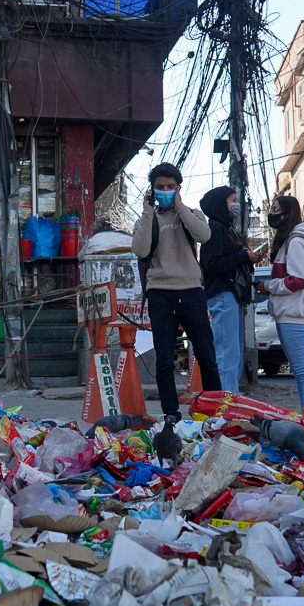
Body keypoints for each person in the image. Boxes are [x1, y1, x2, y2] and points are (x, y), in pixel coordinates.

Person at [132, 163, 221, 421]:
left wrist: (180, 206)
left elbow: (204, 235)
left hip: (192, 292)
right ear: (152, 190)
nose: (166, 191)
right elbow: (140, 250)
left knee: (207, 355)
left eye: (171, 187)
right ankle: (171, 414)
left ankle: (215, 413)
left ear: (179, 188)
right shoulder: (145, 220)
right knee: (164, 360)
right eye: (160, 187)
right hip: (161, 294)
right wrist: (148, 212)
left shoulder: (191, 214)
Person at [254, 195, 304, 409]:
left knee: (303, 372)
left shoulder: (296, 241)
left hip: (295, 314)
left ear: (287, 214)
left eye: (275, 209)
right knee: (301, 373)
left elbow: (300, 280)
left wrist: (268, 287)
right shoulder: (290, 241)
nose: (270, 214)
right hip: (288, 314)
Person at [199, 186, 260, 392]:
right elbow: (211, 265)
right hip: (223, 295)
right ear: (221, 204)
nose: (237, 205)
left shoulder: (227, 228)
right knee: (226, 356)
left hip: (232, 296)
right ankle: (225, 409)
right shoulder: (216, 228)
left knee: (234, 355)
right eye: (232, 200)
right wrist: (243, 256)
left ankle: (230, 403)